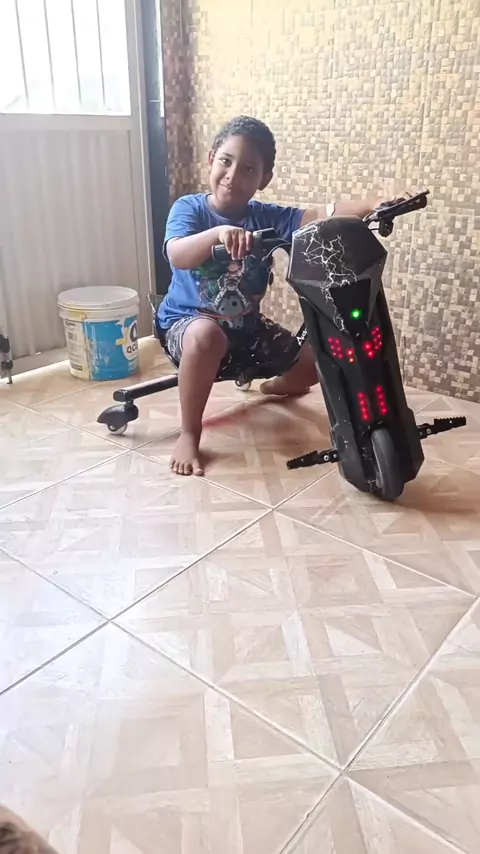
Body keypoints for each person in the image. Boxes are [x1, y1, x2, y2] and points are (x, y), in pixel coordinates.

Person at [158, 115, 383, 476]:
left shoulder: (266, 216)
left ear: (264, 179)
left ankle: (277, 385)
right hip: (186, 324)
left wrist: (376, 204)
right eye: (226, 161)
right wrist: (218, 234)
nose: (233, 175)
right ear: (211, 160)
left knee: (323, 352)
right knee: (206, 335)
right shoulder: (189, 208)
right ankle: (189, 432)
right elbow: (177, 254)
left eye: (248, 169)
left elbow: (319, 215)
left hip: (246, 328)